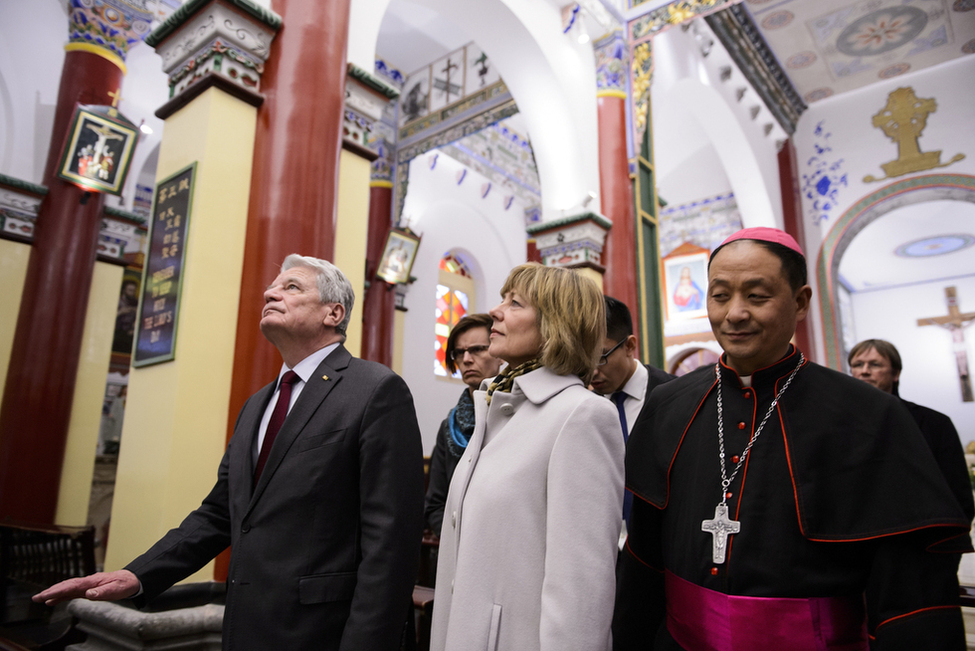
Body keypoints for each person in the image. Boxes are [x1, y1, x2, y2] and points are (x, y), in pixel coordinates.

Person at [35, 254, 425, 651]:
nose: (270, 293)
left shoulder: (374, 390)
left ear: (333, 312)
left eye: (291, 287)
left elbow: (390, 541)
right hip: (247, 624)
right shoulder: (258, 404)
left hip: (323, 631)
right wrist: (138, 576)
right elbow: (220, 513)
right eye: (272, 287)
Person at [614, 228, 972, 651]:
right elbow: (644, 560)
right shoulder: (669, 405)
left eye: (757, 296)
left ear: (800, 302)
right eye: (720, 295)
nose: (734, 313)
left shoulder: (869, 416)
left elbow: (909, 590)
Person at [430, 263, 623, 651]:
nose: (497, 312)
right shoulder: (498, 406)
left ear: (556, 323)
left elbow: (580, 589)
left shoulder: (582, 415)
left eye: (515, 303)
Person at [849, 338, 975, 555]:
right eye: (858, 365)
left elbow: (958, 492)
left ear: (895, 374)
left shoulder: (934, 423)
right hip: (859, 547)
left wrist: (946, 546)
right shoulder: (839, 425)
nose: (865, 371)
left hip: (923, 547)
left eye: (875, 364)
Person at [591, 295, 675, 544]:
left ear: (629, 346)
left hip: (659, 546)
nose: (592, 370)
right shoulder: (583, 405)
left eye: (602, 356)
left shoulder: (673, 396)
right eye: (584, 357)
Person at [425, 313, 502, 536]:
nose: (466, 359)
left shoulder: (519, 412)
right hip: (457, 542)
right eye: (459, 352)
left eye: (477, 349)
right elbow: (435, 503)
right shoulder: (450, 426)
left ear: (500, 355)